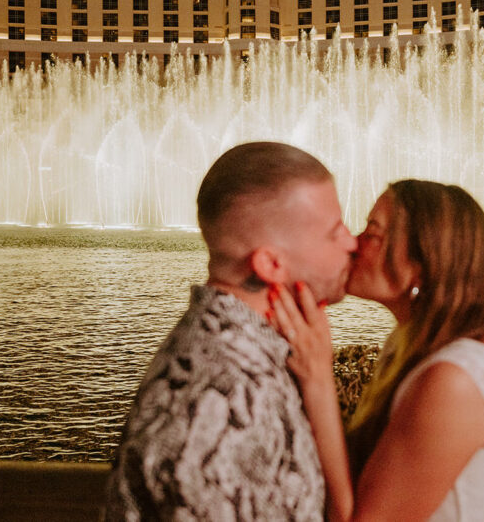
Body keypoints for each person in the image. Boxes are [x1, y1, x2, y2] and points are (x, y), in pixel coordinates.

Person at [105, 141, 357, 521]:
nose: (352, 243)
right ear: (271, 264)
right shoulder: (221, 400)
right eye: (335, 232)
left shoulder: (241, 356)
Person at [271, 179, 484, 521]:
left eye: (373, 233)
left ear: (421, 264)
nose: (353, 242)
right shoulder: (413, 351)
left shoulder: (457, 379)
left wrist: (318, 379)